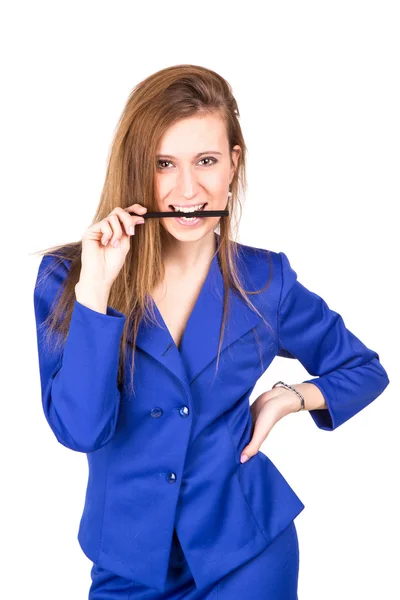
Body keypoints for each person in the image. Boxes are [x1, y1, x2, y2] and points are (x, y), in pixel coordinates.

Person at [33, 64, 390, 599]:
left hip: (246, 555)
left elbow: (364, 368)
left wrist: (290, 397)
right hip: (127, 563)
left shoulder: (266, 281)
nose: (187, 188)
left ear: (232, 164)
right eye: (163, 164)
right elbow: (81, 430)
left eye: (206, 161)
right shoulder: (71, 278)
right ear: (138, 168)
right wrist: (96, 293)